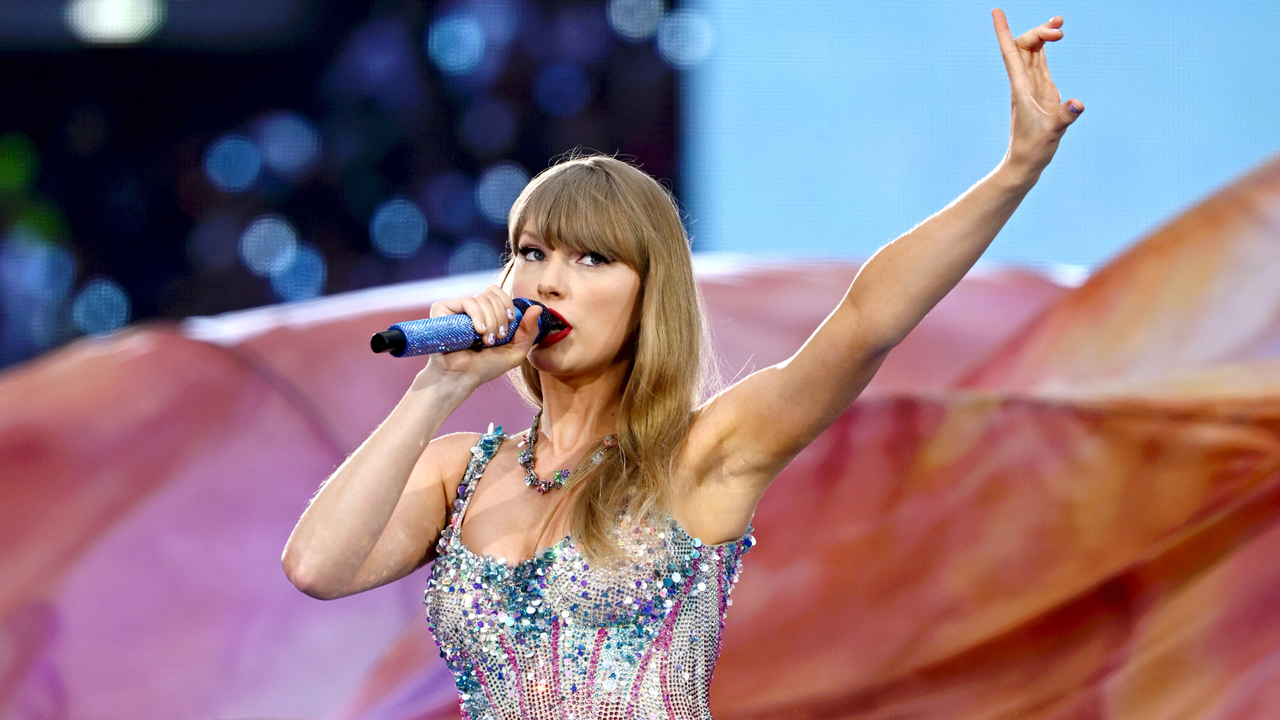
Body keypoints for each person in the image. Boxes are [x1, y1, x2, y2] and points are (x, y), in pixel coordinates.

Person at [282, 9, 1082, 719]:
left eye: (592, 258)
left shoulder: (701, 454)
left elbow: (866, 321)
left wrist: (1016, 170)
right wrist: (439, 385)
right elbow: (316, 566)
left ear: (647, 295)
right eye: (531, 253)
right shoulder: (460, 472)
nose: (550, 278)